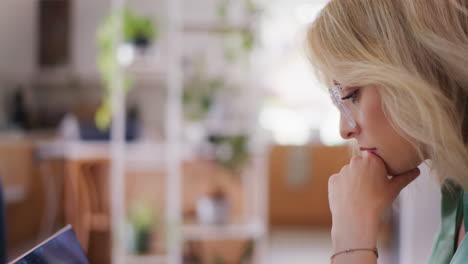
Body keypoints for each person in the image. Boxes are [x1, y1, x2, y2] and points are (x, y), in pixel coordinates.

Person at [306, 0, 468, 263]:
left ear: (415, 69)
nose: (345, 130)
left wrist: (352, 241)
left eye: (351, 94)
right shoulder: (457, 194)